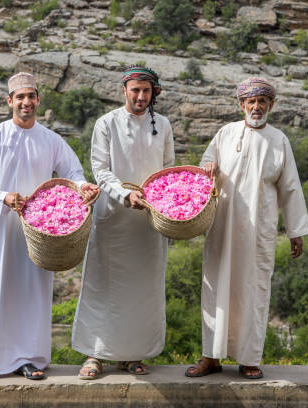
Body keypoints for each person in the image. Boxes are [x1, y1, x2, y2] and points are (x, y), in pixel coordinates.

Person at [0, 72, 99, 386]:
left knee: (29, 291)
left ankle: (28, 358)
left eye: (31, 96)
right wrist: (2, 196)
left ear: (38, 100)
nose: (26, 102)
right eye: (19, 97)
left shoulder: (51, 140)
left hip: (37, 231)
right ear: (9, 101)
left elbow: (73, 171)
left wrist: (82, 186)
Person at [185, 77, 308, 379]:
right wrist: (209, 168)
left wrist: (295, 231)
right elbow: (206, 165)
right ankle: (210, 357)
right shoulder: (225, 133)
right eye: (251, 102)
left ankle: (249, 357)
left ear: (271, 105)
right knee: (216, 287)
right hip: (222, 227)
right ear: (242, 104)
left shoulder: (279, 140)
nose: (256, 106)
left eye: (262, 102)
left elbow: (291, 188)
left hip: (258, 230)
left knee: (253, 290)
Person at [71, 66, 175, 379]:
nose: (140, 96)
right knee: (103, 286)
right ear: (124, 91)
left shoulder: (164, 125)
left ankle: (133, 355)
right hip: (113, 219)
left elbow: (168, 171)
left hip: (148, 221)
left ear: (153, 92)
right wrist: (124, 194)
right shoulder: (107, 124)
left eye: (146, 91)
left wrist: (162, 204)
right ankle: (95, 355)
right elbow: (101, 170)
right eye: (135, 90)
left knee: (144, 289)